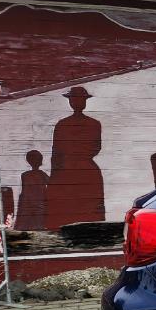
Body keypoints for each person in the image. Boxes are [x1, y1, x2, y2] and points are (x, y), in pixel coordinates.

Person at [45, 86, 104, 227]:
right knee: (85, 207)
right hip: (86, 169)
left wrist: (54, 177)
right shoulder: (94, 124)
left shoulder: (63, 124)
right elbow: (96, 148)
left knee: (73, 207)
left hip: (68, 169)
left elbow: (56, 153)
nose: (76, 102)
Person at [15, 149, 48, 230]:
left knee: (29, 224)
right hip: (37, 203)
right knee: (37, 224)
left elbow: (24, 191)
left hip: (30, 203)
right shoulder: (42, 175)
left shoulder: (25, 175)